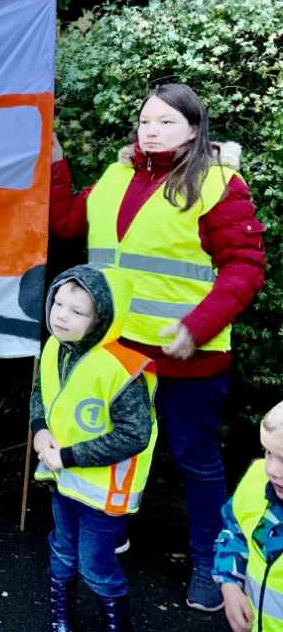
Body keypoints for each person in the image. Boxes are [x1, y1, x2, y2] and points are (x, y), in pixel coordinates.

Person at [51, 83, 266, 611]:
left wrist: (197, 324)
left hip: (189, 353)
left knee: (195, 461)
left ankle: (210, 565)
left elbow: (245, 267)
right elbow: (64, 224)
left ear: (194, 129)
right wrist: (55, 160)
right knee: (119, 449)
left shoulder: (218, 183)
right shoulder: (116, 173)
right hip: (119, 351)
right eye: (146, 120)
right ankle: (111, 531)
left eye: (167, 122)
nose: (152, 129)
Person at [31, 265, 157, 632]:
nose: (61, 315)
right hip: (64, 481)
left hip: (105, 492)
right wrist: (39, 431)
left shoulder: (122, 369)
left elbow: (134, 435)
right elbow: (41, 394)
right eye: (58, 303)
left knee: (95, 567)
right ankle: (61, 621)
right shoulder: (55, 347)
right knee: (62, 551)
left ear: (102, 318)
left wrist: (66, 457)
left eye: (77, 311)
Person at [214, 400, 283, 632]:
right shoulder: (256, 479)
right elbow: (234, 532)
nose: (272, 469)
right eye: (269, 452)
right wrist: (229, 583)